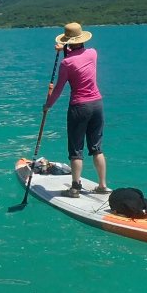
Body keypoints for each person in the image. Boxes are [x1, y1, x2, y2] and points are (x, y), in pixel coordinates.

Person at [43, 22, 109, 199]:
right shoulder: (93, 53)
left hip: (79, 107)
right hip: (97, 104)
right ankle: (102, 185)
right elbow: (77, 57)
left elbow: (58, 88)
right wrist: (64, 48)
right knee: (96, 148)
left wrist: (48, 105)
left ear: (67, 41)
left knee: (76, 150)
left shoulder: (66, 63)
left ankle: (75, 188)